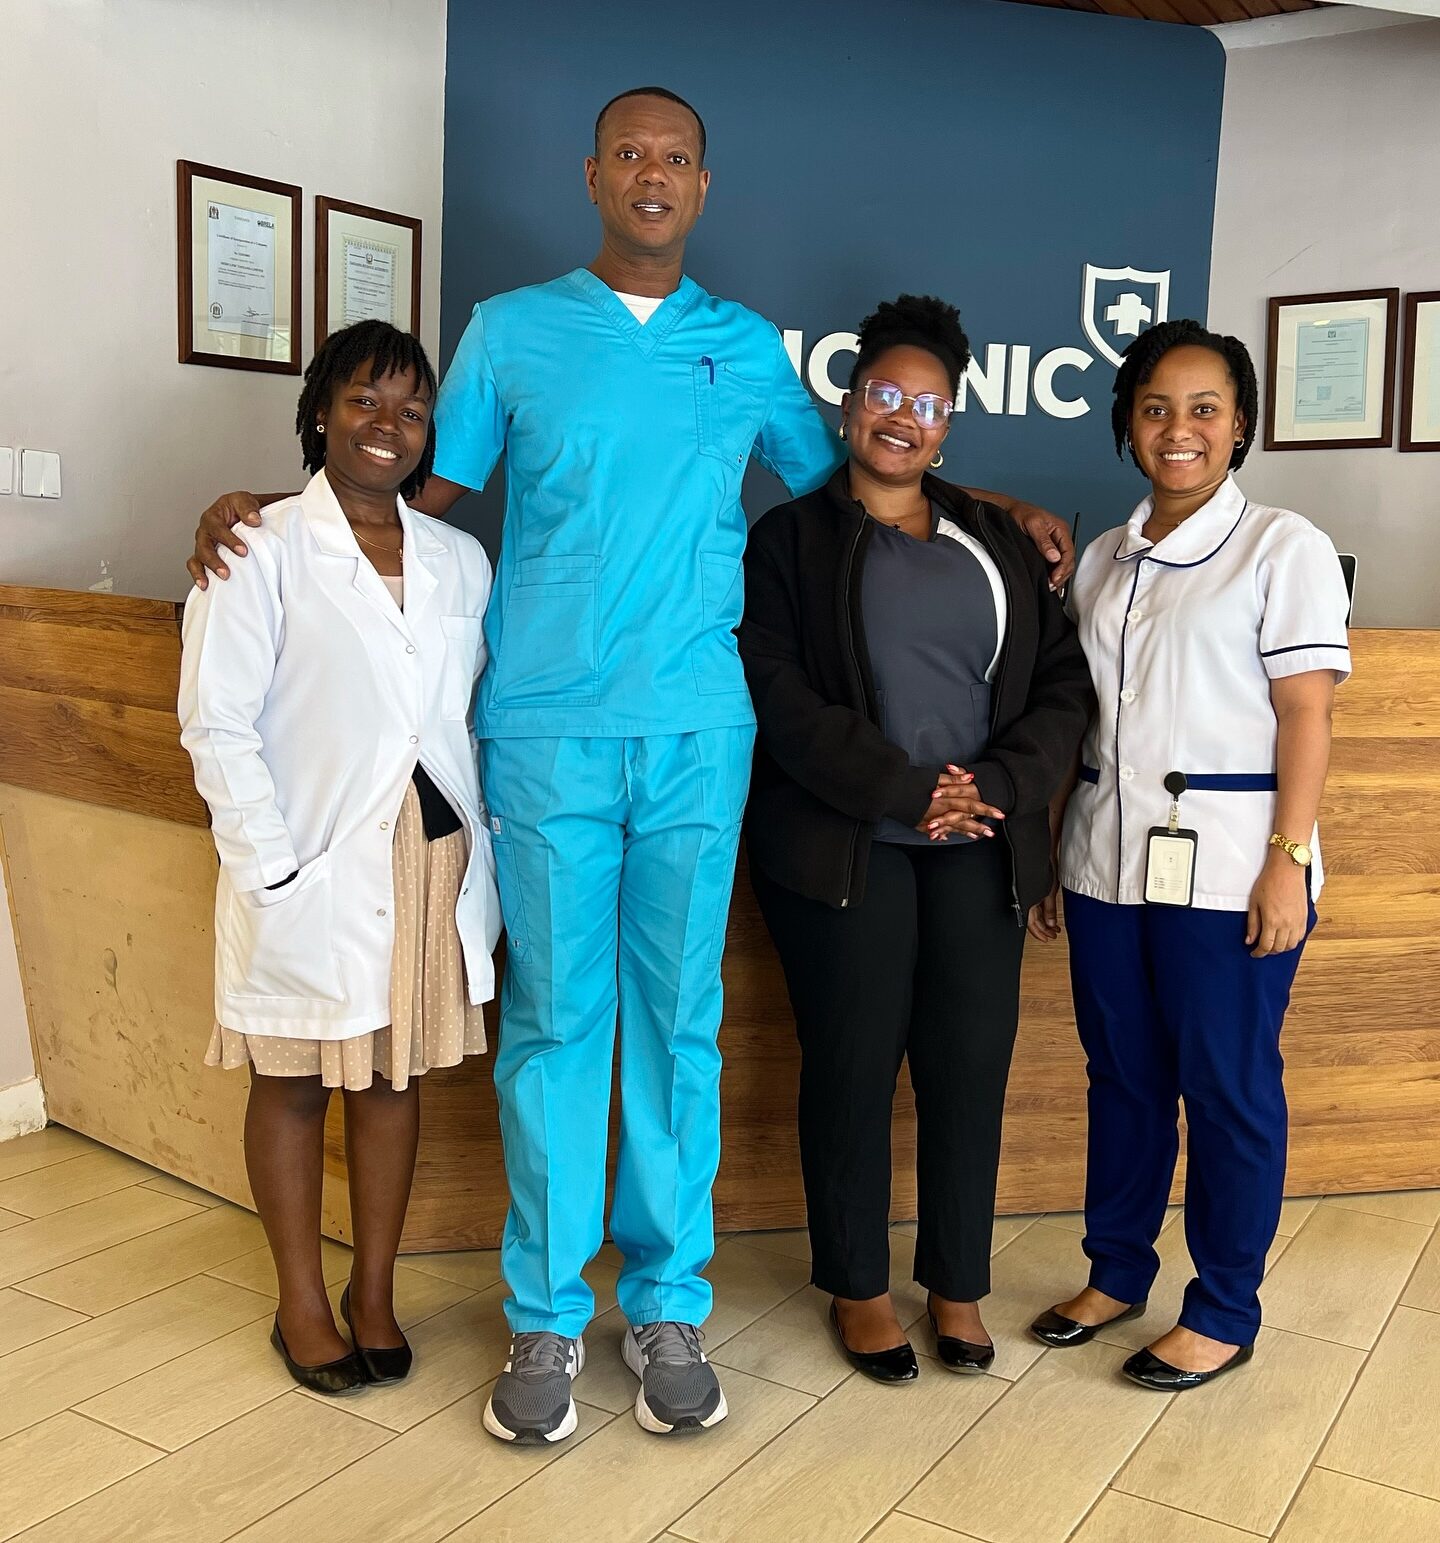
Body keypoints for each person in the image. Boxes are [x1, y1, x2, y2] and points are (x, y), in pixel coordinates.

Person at [183, 88, 1077, 1444]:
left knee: (676, 1024)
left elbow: (854, 481)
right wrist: (270, 507)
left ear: (703, 187)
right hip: (544, 731)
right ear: (592, 174)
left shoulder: (744, 348)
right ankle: (545, 1317)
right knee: (556, 1025)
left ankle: (666, 1304)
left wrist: (994, 504)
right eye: (630, 154)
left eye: (677, 158)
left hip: (698, 734)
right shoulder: (511, 332)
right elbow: (416, 496)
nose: (652, 174)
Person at [739, 296, 1093, 1382]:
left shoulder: (998, 538)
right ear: (849, 405)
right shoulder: (790, 539)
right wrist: (902, 789)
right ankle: (857, 1284)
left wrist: (996, 786)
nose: (904, 417)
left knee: (968, 1065)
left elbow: (1063, 685)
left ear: (948, 425)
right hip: (846, 846)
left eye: (928, 404)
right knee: (852, 1065)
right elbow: (778, 692)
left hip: (980, 842)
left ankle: (956, 1283)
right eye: (885, 394)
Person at [1027, 320, 1351, 1391]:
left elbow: (1307, 714)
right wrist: (1054, 851)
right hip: (1106, 865)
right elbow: (1081, 715)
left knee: (1228, 1088)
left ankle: (1223, 1308)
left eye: (1205, 408)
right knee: (1122, 1078)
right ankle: (1116, 1271)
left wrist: (1288, 859)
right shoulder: (1105, 559)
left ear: (1240, 424)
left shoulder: (1283, 547)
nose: (1180, 429)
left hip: (1232, 874)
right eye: (1156, 407)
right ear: (1128, 424)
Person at [178, 321, 500, 1395]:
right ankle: (301, 1303)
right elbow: (216, 723)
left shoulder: (459, 558)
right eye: (365, 400)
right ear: (321, 411)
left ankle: (373, 1294)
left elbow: (462, 715)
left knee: (392, 1079)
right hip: (309, 855)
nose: (387, 425)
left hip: (428, 854)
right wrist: (267, 868)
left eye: (411, 410)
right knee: (292, 1081)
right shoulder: (256, 545)